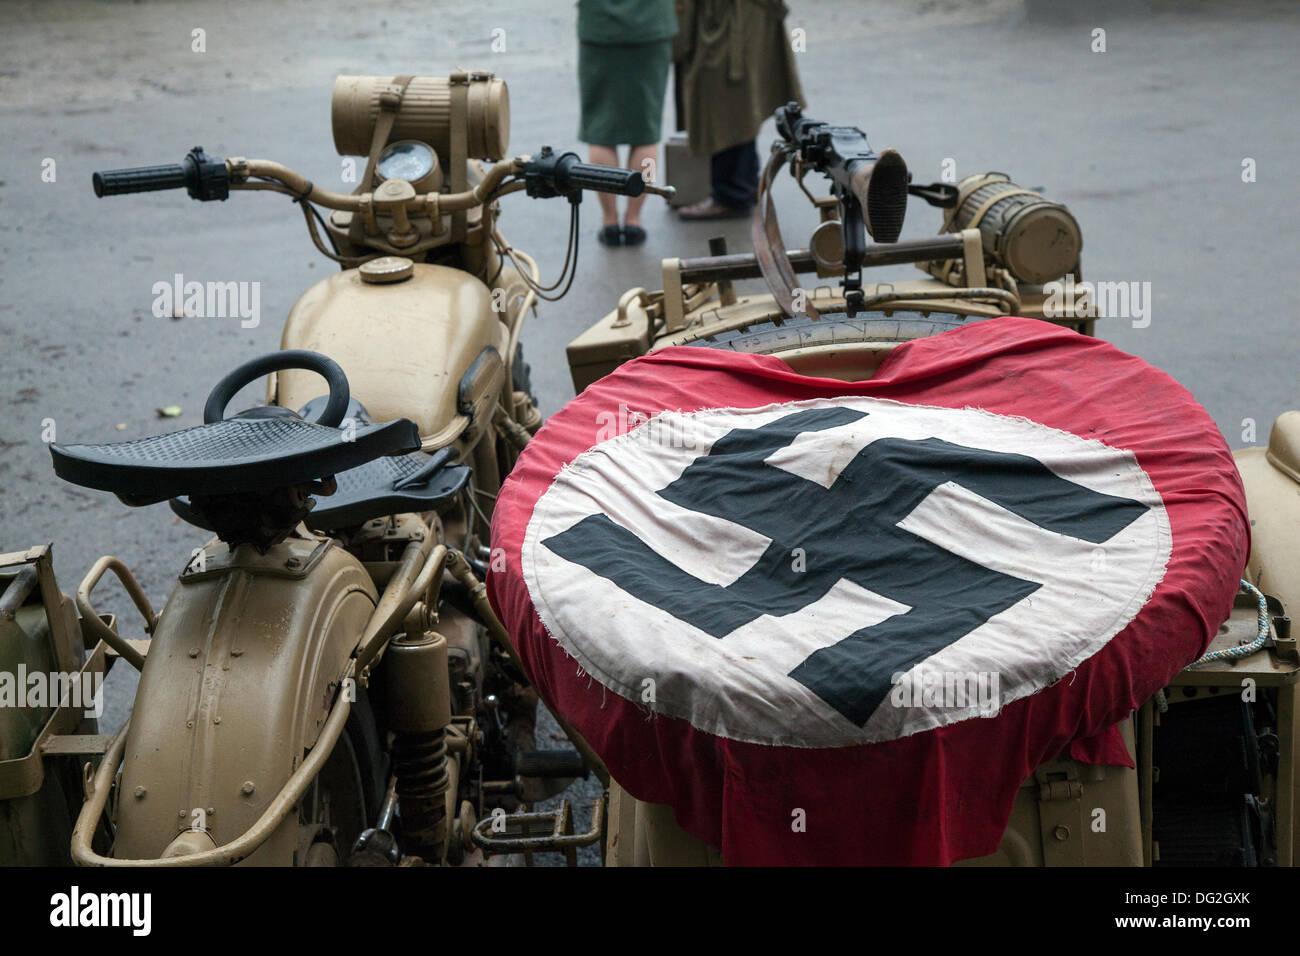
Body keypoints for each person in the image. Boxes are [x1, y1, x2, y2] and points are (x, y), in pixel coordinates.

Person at [674, 0, 804, 220]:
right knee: (736, 104)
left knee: (724, 104)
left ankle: (732, 194)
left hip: (729, 25)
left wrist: (677, 43)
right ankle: (743, 186)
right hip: (742, 19)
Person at [576, 0, 678, 247]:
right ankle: (634, 219)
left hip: (600, 28)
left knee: (600, 132)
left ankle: (609, 221)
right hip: (650, 28)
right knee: (646, 133)